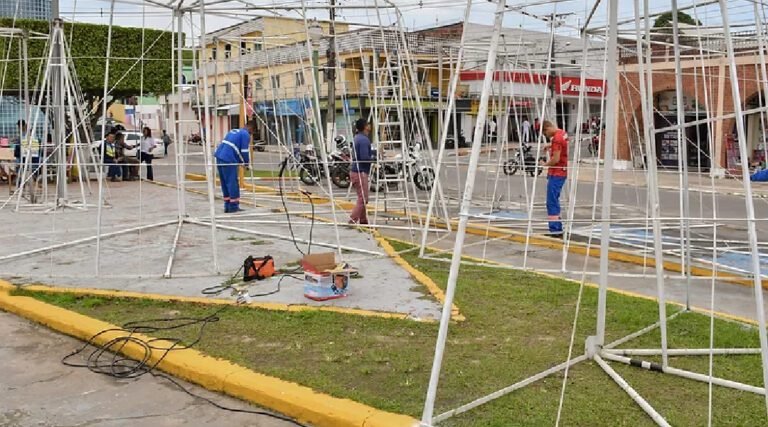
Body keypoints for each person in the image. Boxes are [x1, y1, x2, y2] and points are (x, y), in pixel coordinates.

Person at [214, 120, 255, 213]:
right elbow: (244, 151)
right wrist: (246, 163)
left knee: (224, 182)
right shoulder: (245, 135)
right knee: (232, 182)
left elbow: (235, 149)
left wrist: (241, 162)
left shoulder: (234, 131)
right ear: (251, 129)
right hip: (229, 159)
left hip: (220, 156)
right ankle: (233, 206)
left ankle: (227, 205)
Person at [540, 120, 568, 238]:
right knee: (554, 200)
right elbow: (563, 145)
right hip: (562, 171)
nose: (547, 136)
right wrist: (550, 145)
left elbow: (555, 159)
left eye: (545, 134)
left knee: (551, 202)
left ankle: (555, 229)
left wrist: (544, 165)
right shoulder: (562, 133)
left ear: (547, 128)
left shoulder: (556, 138)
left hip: (556, 173)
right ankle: (556, 227)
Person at [349, 118, 375, 225]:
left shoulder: (357, 138)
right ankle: (353, 219)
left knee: (362, 197)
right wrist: (373, 157)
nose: (370, 126)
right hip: (361, 172)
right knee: (363, 198)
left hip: (355, 171)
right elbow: (364, 157)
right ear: (365, 127)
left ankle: (363, 221)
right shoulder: (364, 140)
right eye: (368, 124)